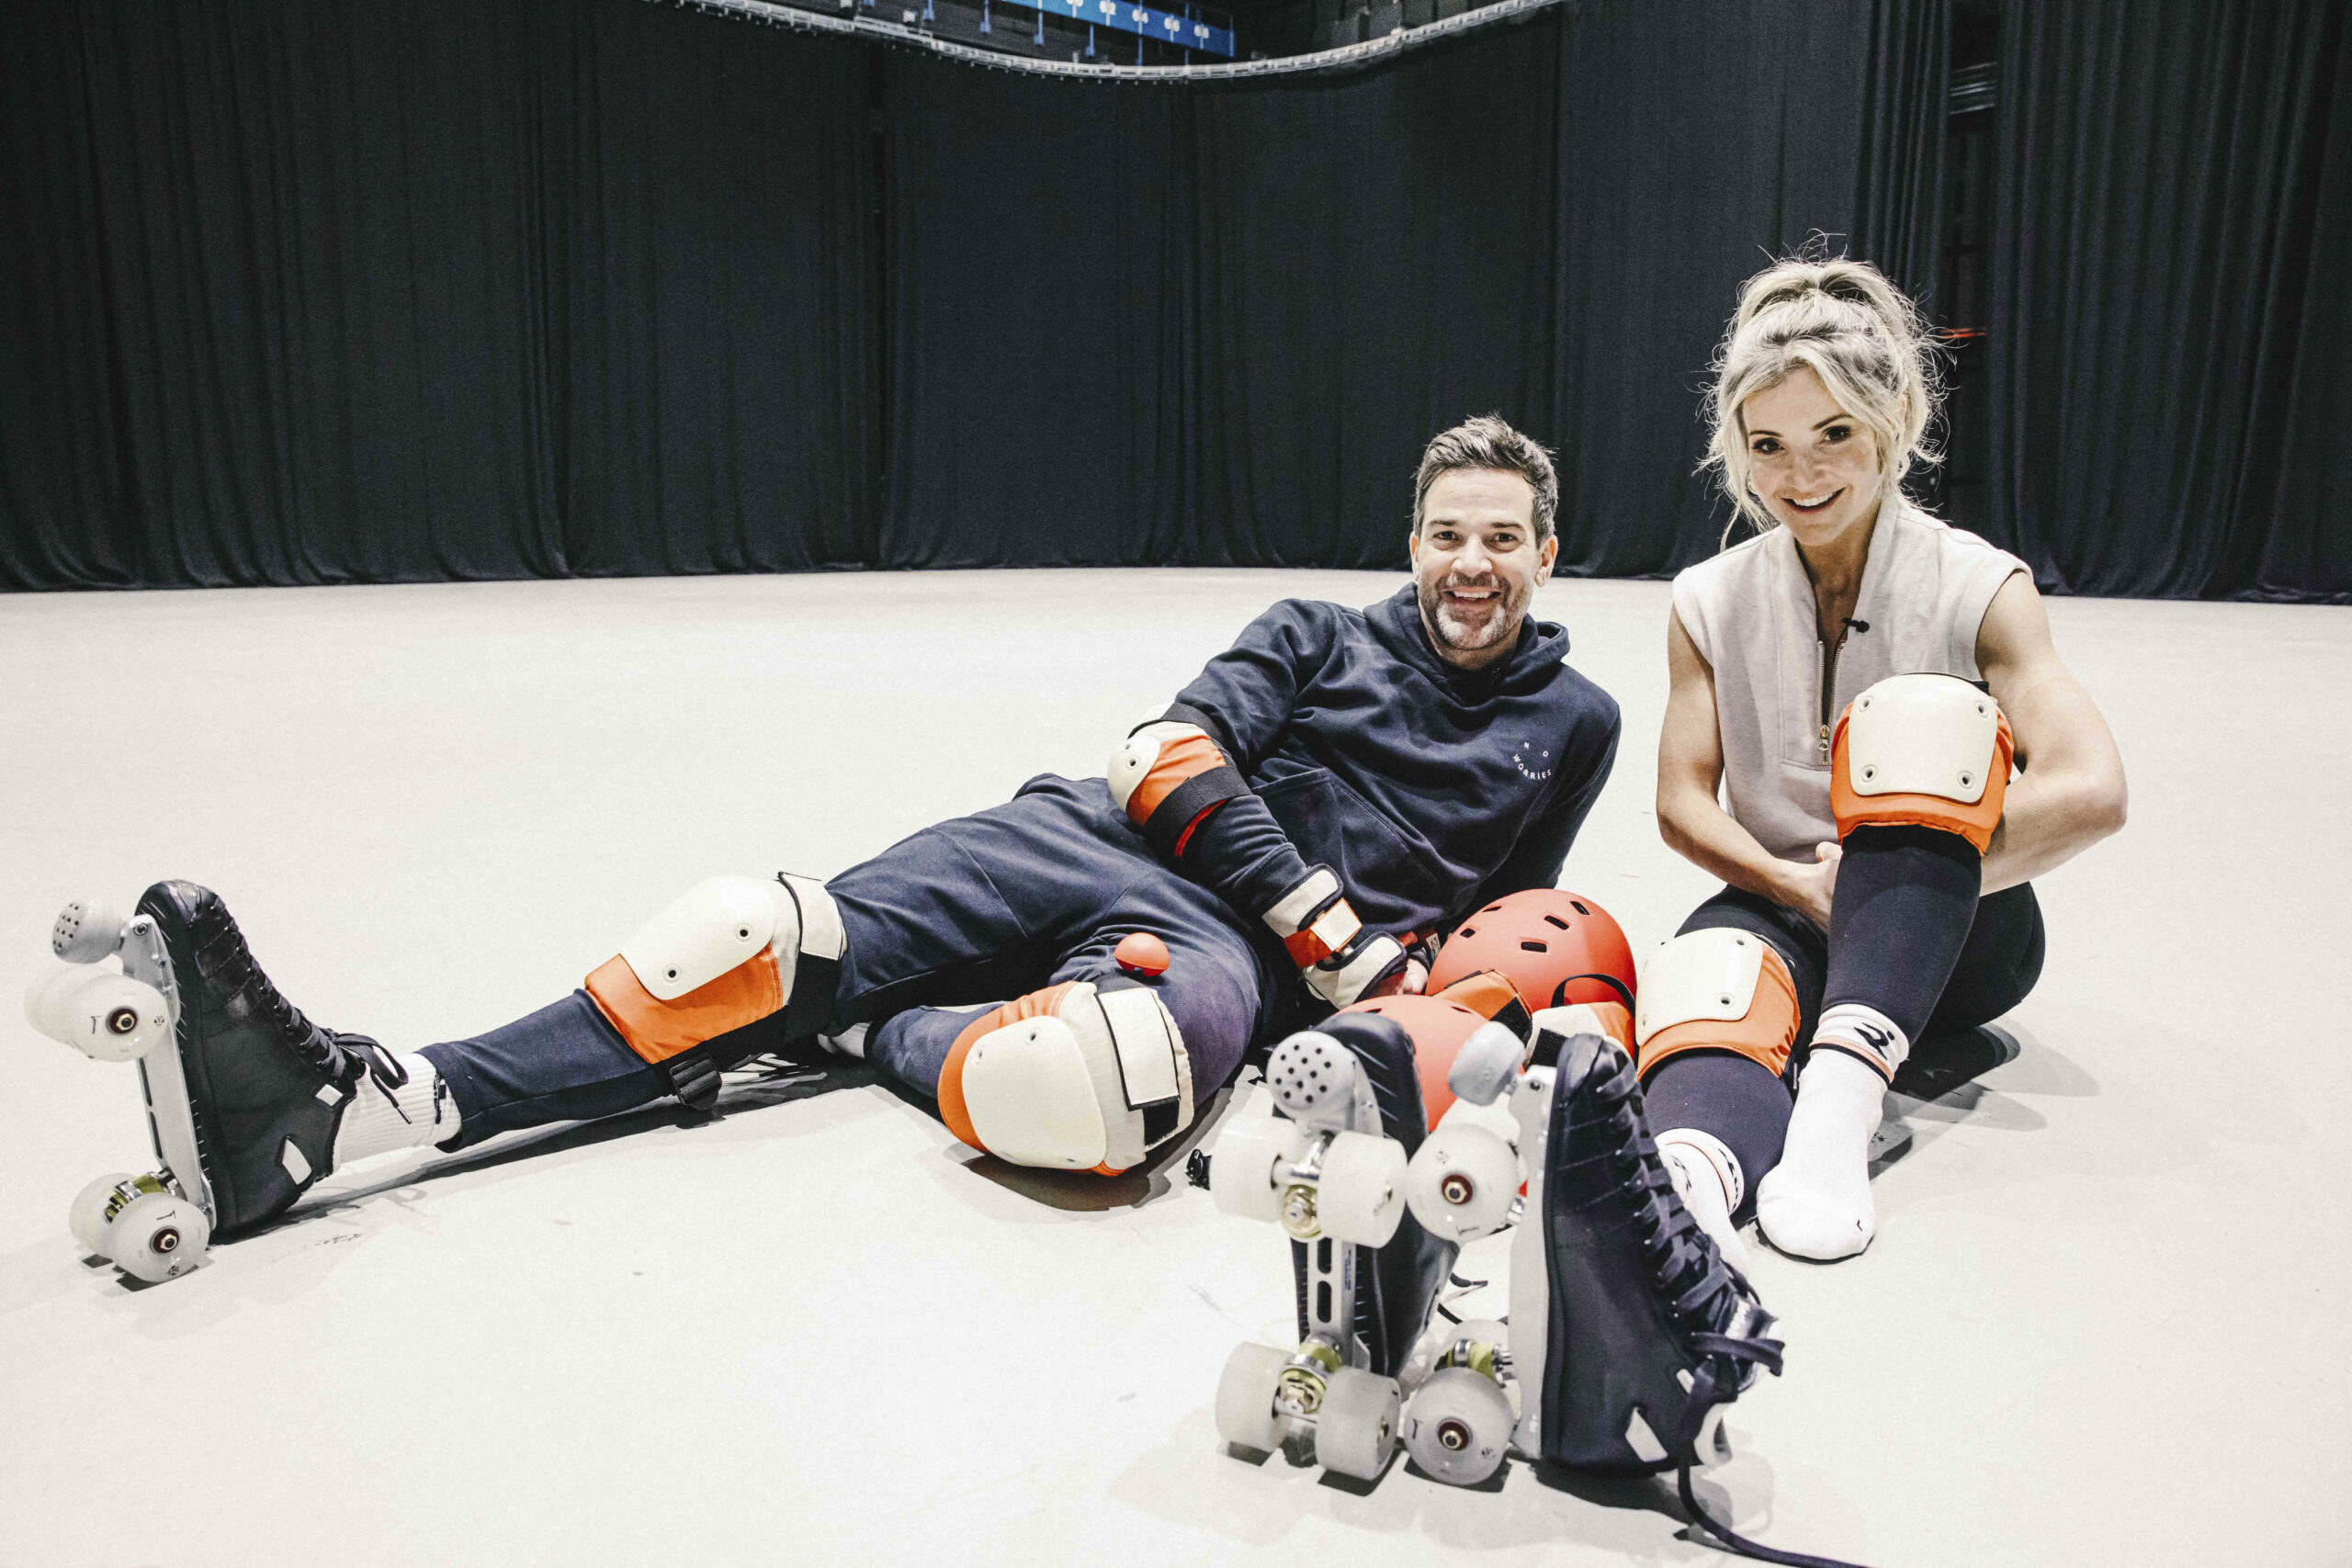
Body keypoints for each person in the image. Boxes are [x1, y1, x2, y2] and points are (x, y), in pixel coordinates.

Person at [65, 415, 1623, 1258]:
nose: (1468, 565)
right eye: (1443, 533)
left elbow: (1508, 913)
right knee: (750, 939)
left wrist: (1407, 987)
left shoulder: (1580, 723)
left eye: (1501, 539)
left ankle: (875, 1029)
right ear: (1409, 541)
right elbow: (1162, 753)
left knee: (1097, 1101)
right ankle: (367, 1106)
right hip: (1098, 845)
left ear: (1546, 554)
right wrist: (1324, 920)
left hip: (1225, 961)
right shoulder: (1313, 631)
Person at [1643, 257, 2127, 1265]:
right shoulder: (1706, 598)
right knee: (1707, 972)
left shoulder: (1977, 584)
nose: (1800, 476)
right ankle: (1684, 1182)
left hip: (1963, 933)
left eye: (1833, 436)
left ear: (1894, 417)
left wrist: (1895, 874)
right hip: (1791, 902)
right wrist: (1789, 881)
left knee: (1918, 721)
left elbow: (2091, 789)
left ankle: (1839, 1101)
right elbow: (1681, 800)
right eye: (1766, 445)